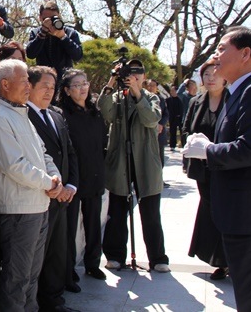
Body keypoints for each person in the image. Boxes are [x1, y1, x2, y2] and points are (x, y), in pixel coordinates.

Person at [183, 27, 251, 312]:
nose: (215, 56)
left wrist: (207, 151)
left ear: (246, 54)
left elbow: (250, 150)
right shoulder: (240, 91)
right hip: (248, 216)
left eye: (222, 49)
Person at [0, 59, 61, 312]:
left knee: (31, 276)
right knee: (17, 278)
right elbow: (14, 166)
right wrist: (49, 182)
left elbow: (43, 153)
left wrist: (55, 177)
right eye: (24, 81)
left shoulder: (21, 114)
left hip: (38, 204)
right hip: (18, 210)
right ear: (5, 84)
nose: (29, 86)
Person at [99, 58, 169, 273]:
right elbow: (104, 113)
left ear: (144, 77)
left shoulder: (152, 97)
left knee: (151, 212)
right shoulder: (117, 97)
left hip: (146, 161)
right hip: (121, 159)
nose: (134, 76)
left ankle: (158, 258)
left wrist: (138, 93)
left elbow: (151, 119)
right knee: (117, 211)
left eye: (138, 72)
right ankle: (115, 255)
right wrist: (111, 82)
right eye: (130, 72)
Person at [26, 66, 80, 311]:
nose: (49, 91)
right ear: (29, 87)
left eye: (52, 87)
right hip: (41, 195)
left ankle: (54, 300)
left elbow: (69, 151)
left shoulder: (56, 115)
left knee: (58, 252)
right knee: (39, 256)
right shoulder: (23, 115)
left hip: (63, 196)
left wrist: (70, 185)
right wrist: (54, 186)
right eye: (44, 86)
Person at [58, 69, 107, 282]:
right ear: (67, 90)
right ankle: (68, 269)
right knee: (69, 227)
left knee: (93, 224)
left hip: (94, 174)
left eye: (84, 83)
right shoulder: (62, 114)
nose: (82, 88)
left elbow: (102, 143)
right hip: (73, 178)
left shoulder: (95, 112)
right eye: (76, 85)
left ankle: (93, 264)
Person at [183, 60, 229, 280]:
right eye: (207, 74)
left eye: (216, 74)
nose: (211, 78)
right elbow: (186, 128)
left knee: (224, 211)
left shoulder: (233, 100)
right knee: (209, 210)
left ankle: (227, 261)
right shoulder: (196, 101)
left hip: (226, 166)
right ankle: (216, 259)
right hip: (203, 168)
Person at [26, 1, 83, 80]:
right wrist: (42, 34)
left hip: (65, 79)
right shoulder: (36, 33)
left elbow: (78, 56)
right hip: (44, 79)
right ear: (40, 17)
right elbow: (30, 54)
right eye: (46, 19)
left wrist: (63, 37)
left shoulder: (70, 33)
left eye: (53, 18)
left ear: (59, 16)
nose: (50, 22)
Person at [166, 85, 183, 151]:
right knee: (172, 132)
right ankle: (172, 145)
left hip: (180, 118)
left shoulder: (180, 98)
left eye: (173, 91)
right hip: (172, 118)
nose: (171, 92)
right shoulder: (168, 100)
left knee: (182, 131)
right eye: (171, 91)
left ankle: (183, 144)